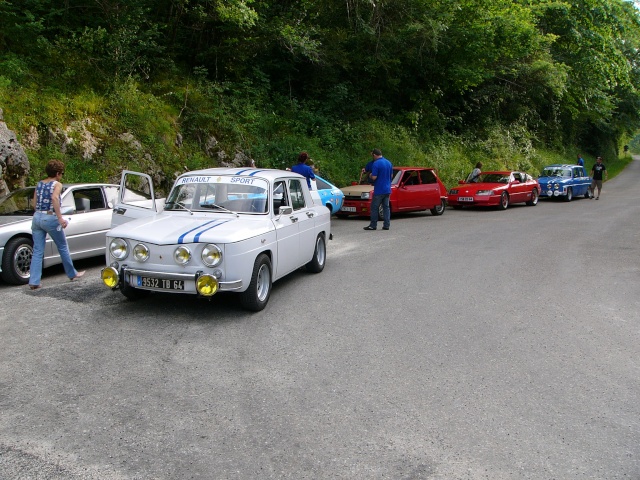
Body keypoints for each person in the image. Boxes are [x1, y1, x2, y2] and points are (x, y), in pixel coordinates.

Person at [28, 159, 85, 289]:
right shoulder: (57, 184)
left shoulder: (39, 184)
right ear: (58, 173)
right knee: (62, 246)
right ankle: (72, 273)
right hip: (50, 217)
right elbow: (54, 198)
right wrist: (60, 218)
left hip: (37, 217)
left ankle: (34, 281)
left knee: (37, 250)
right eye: (62, 173)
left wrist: (39, 212)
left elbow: (34, 203)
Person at [364, 148, 393, 231]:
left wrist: (370, 176)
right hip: (387, 189)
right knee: (386, 207)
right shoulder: (388, 163)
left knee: (374, 207)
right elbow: (391, 176)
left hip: (379, 189)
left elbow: (374, 177)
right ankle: (386, 225)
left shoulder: (376, 164)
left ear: (374, 155)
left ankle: (373, 225)